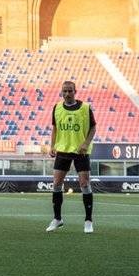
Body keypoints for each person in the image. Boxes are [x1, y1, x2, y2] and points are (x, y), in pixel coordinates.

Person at [46, 80, 96, 233]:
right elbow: (55, 128)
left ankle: (88, 221)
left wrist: (86, 144)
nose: (67, 94)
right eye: (64, 91)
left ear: (75, 91)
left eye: (70, 91)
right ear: (61, 92)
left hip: (80, 151)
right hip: (63, 150)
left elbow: (93, 127)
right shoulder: (57, 107)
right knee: (56, 183)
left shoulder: (85, 108)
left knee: (84, 184)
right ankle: (57, 219)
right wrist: (52, 145)